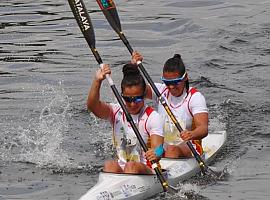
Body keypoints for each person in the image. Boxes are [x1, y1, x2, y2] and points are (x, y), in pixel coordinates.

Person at [87, 63, 164, 174]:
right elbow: (92, 106)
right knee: (109, 165)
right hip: (124, 170)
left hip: (147, 170)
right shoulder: (115, 112)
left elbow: (160, 148)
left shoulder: (153, 117)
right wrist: (97, 81)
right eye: (128, 99)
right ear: (122, 95)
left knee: (131, 166)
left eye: (137, 99)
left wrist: (156, 153)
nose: (132, 104)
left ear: (144, 95)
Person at [131, 51, 208, 158]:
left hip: (188, 145)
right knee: (137, 150)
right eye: (167, 82)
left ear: (185, 78)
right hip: (163, 144)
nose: (171, 87)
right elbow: (136, 90)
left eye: (175, 82)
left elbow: (203, 128)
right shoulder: (160, 91)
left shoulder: (195, 97)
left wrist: (191, 134)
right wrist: (134, 68)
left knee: (171, 151)